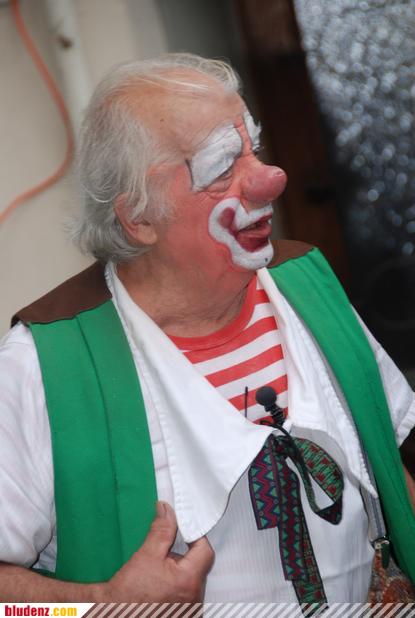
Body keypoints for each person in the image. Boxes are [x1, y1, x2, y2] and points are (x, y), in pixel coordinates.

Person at [0, 53, 414, 606]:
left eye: (253, 149)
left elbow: (389, 470)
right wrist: (100, 605)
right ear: (138, 218)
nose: (269, 180)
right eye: (221, 167)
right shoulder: (41, 367)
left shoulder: (308, 284)